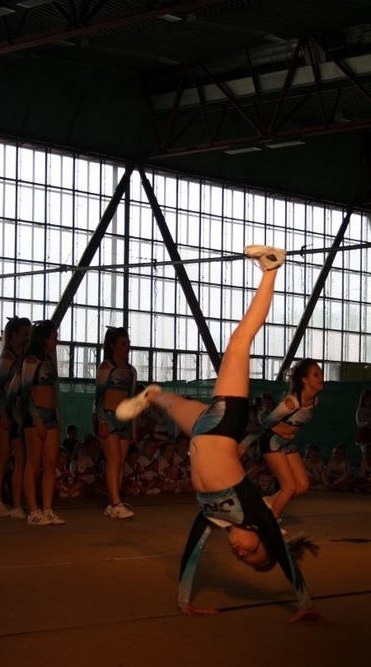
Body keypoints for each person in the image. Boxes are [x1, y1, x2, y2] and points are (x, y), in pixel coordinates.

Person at [116, 245, 321, 623]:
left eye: (242, 559)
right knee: (238, 343)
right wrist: (304, 602)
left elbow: (192, 553)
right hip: (226, 423)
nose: (241, 553)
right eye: (253, 551)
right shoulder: (251, 510)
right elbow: (280, 547)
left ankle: (154, 395)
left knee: (168, 400)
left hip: (200, 429)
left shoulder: (213, 518)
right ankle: (272, 269)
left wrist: (184, 601)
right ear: (262, 532)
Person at [248, 358, 324, 519]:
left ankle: (267, 502)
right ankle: (271, 525)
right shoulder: (292, 402)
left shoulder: (314, 401)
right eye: (316, 375)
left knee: (302, 486)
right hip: (272, 441)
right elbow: (267, 423)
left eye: (321, 374)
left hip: (288, 443)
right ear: (304, 379)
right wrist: (245, 443)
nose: (321, 378)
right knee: (288, 487)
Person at [21, 320, 65, 525]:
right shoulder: (30, 360)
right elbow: (25, 393)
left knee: (50, 463)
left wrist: (55, 416)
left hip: (50, 417)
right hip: (34, 416)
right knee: (33, 463)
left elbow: (52, 392)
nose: (56, 340)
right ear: (45, 338)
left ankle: (47, 508)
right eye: (54, 336)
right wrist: (37, 419)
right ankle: (33, 511)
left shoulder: (49, 360)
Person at [93, 326, 137, 519]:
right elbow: (98, 397)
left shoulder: (131, 371)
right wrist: (101, 420)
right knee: (114, 460)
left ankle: (114, 502)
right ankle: (116, 502)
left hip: (125, 419)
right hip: (108, 417)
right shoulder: (106, 367)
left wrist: (133, 425)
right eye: (123, 344)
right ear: (113, 346)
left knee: (120, 463)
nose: (127, 347)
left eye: (128, 343)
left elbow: (133, 398)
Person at [0, 316, 31, 518]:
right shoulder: (8, 356)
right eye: (25, 334)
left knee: (21, 458)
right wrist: (4, 413)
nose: (27, 338)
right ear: (14, 335)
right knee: (3, 455)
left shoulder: (24, 357)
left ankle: (16, 504)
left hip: (18, 413)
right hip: (6, 412)